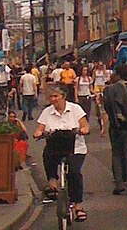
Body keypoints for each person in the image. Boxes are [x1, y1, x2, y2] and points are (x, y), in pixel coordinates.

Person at [33, 86, 90, 220]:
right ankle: (52, 181)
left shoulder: (75, 109)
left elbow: (84, 125)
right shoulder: (47, 112)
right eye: (51, 97)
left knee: (74, 173)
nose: (53, 99)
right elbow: (40, 128)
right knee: (47, 155)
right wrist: (38, 133)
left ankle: (78, 206)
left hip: (75, 147)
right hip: (56, 146)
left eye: (56, 96)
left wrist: (84, 130)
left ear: (63, 96)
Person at [103, 64, 127, 196]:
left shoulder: (109, 90)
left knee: (116, 154)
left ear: (117, 75)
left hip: (115, 127)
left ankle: (119, 185)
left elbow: (106, 108)